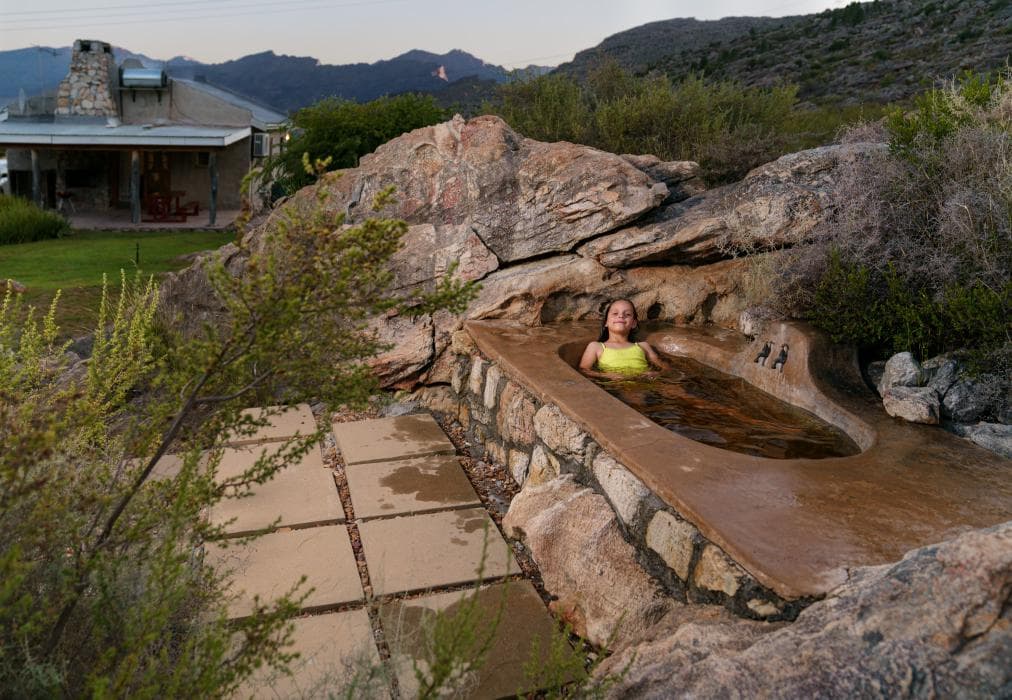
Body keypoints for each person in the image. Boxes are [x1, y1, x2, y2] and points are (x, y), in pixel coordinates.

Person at [579, 299, 666, 378]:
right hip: (616, 386)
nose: (621, 316)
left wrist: (656, 373)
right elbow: (584, 370)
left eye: (627, 314)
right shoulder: (596, 346)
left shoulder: (643, 346)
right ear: (606, 322)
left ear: (633, 323)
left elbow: (664, 367)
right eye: (615, 313)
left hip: (645, 382)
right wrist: (606, 376)